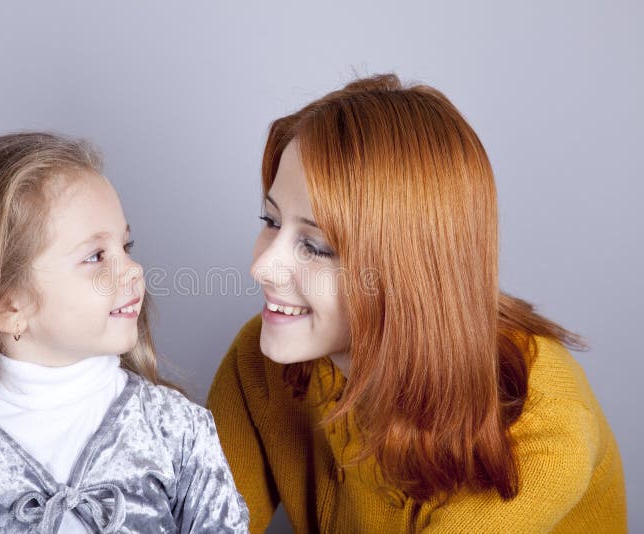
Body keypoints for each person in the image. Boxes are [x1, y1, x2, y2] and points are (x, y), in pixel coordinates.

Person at [207, 74, 626, 533]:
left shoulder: (537, 423)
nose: (263, 267)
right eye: (270, 220)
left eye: (317, 246)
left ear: (407, 271)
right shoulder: (263, 358)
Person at [0, 132, 249, 533]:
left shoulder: (176, 429)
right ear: (7, 306)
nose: (133, 270)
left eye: (126, 247)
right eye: (95, 257)